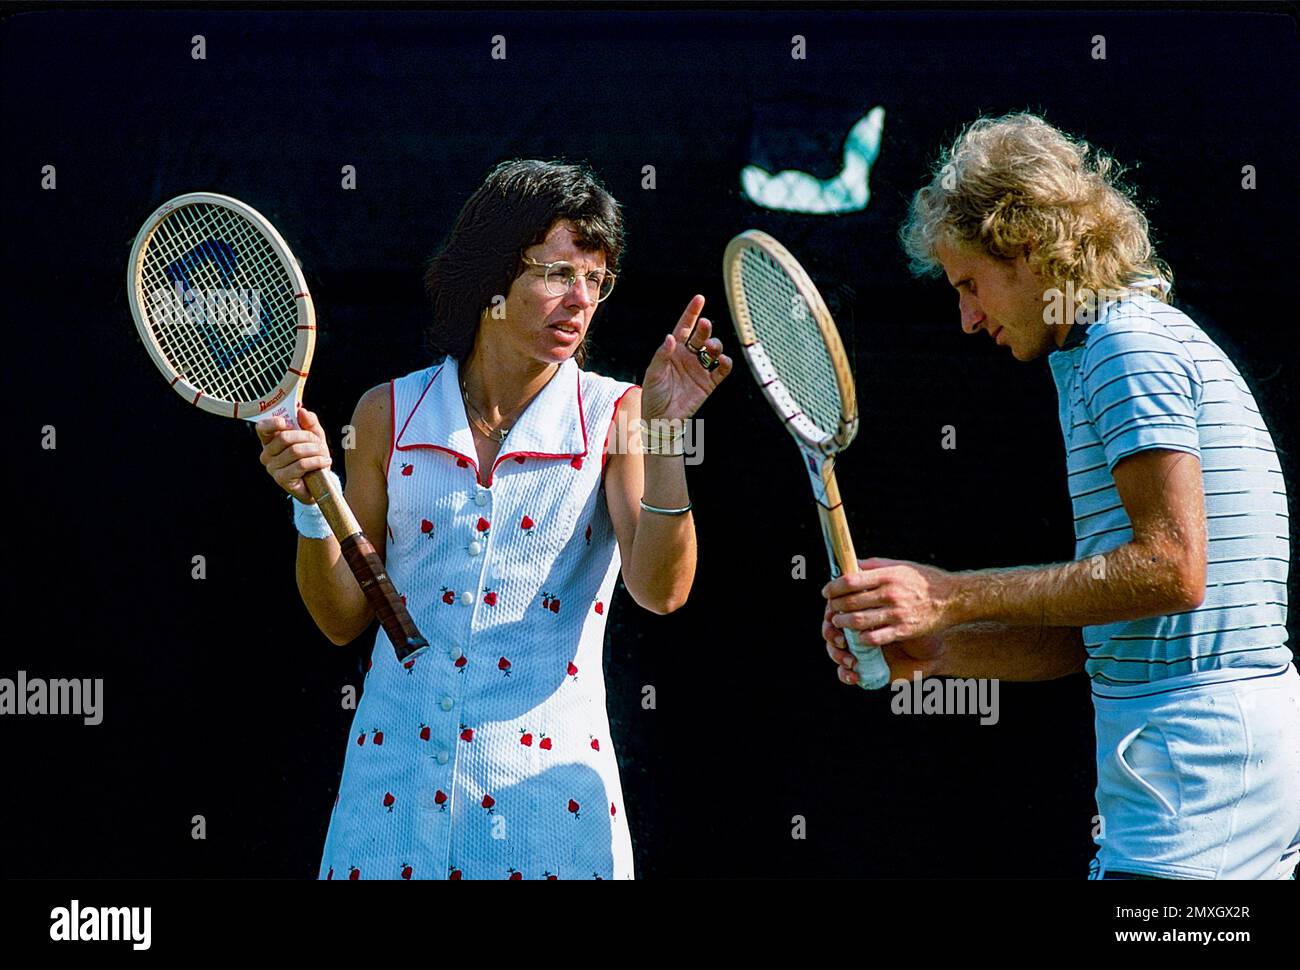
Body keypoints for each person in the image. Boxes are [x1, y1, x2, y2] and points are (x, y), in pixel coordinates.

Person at [822, 114, 1298, 880]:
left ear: (1027, 248)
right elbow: (1097, 633)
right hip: (1206, 753)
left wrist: (947, 596)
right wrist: (937, 650)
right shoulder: (1103, 349)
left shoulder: (1124, 344)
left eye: (970, 284)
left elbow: (1173, 570)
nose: (969, 318)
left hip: (1197, 758)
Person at [257, 159, 731, 879]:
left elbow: (661, 589)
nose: (579, 300)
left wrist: (665, 438)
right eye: (557, 274)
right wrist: (311, 509)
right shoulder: (386, 414)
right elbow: (340, 617)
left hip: (548, 819)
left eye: (595, 281)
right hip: (390, 808)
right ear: (492, 279)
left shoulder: (619, 414)